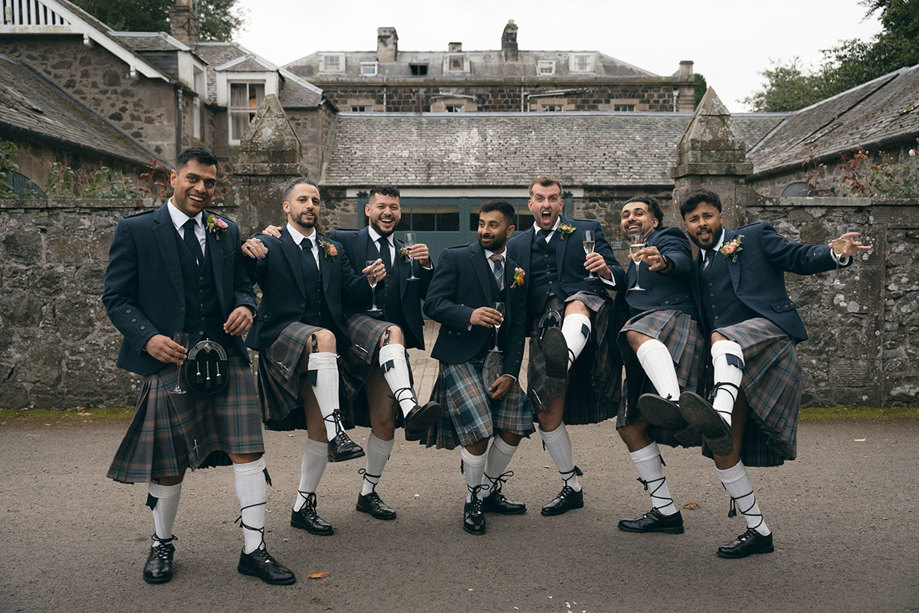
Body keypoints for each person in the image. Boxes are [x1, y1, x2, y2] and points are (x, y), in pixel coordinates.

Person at [102, 147, 295, 586]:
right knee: (169, 462)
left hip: (226, 351)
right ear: (173, 178)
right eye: (193, 179)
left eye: (209, 182)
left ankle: (254, 549)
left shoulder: (227, 230)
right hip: (172, 353)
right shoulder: (137, 230)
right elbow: (116, 297)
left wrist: (247, 306)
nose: (201, 189)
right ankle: (162, 543)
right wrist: (148, 337)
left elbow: (243, 286)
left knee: (249, 451)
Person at [675, 188, 870, 558]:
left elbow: (798, 256)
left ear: (720, 216)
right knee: (724, 448)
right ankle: (758, 531)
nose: (703, 224)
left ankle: (717, 408)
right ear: (686, 225)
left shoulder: (753, 236)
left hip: (766, 336)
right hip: (729, 364)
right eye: (694, 219)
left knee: (722, 335)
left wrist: (833, 254)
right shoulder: (695, 264)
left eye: (708, 216)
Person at [243, 178, 380, 537]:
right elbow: (244, 278)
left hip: (323, 352)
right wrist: (249, 247)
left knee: (317, 430)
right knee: (324, 336)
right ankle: (340, 432)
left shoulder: (331, 248)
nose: (311, 206)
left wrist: (367, 281)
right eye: (302, 199)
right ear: (286, 207)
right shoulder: (270, 243)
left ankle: (303, 505)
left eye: (316, 200)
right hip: (284, 338)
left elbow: (350, 296)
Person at [506, 176, 624, 516]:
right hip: (545, 328)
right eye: (540, 198)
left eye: (553, 198)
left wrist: (604, 269)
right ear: (530, 204)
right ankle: (571, 486)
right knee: (546, 415)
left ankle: (565, 357)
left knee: (576, 301)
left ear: (562, 204)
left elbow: (620, 274)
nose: (546, 205)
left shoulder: (586, 230)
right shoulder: (516, 245)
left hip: (586, 319)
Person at [329, 185, 441, 520]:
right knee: (393, 330)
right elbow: (332, 282)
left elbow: (429, 297)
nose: (388, 212)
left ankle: (368, 493)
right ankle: (412, 406)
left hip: (388, 349)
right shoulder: (344, 240)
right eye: (381, 206)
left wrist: (428, 265)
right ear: (368, 209)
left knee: (384, 422)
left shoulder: (407, 251)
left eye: (393, 207)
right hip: (353, 331)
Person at [422, 200, 532, 535]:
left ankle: (487, 490)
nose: (484, 230)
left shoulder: (517, 268)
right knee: (480, 429)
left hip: (498, 362)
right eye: (482, 224)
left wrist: (512, 372)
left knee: (517, 422)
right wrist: (468, 314)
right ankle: (473, 500)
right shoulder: (456, 257)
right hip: (460, 356)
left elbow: (518, 326)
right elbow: (433, 304)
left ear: (509, 231)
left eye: (493, 225)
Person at [612, 196, 704, 536]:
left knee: (635, 329)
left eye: (639, 212)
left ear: (654, 219)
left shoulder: (668, 238)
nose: (631, 218)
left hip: (672, 323)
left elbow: (679, 261)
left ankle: (672, 398)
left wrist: (662, 261)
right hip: (644, 343)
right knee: (629, 427)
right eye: (625, 215)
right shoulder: (631, 257)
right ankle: (665, 512)